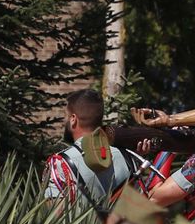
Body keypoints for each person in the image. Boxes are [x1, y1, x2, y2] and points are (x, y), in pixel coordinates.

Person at [44, 88, 146, 216]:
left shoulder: (60, 162)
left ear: (73, 119)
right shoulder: (127, 157)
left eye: (67, 116)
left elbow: (53, 216)